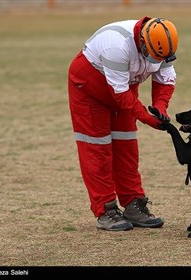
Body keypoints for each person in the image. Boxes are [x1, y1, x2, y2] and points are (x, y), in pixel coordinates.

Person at [67, 17, 178, 231]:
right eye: (153, 56)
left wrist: (160, 109)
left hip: (124, 87)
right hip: (90, 90)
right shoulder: (116, 46)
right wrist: (147, 118)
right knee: (97, 150)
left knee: (127, 147)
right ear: (143, 43)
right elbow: (119, 95)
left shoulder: (164, 45)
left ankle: (133, 204)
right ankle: (105, 210)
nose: (157, 61)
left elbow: (165, 79)